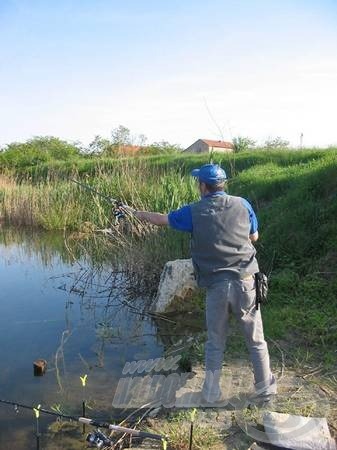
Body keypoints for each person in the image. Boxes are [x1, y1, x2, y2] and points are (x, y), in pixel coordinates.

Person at [123, 163, 276, 406]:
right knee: (256, 339)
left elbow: (161, 220)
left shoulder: (193, 212)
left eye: (198, 183)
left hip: (217, 287)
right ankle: (265, 391)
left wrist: (136, 213)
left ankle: (211, 394)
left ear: (203, 186)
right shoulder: (242, 203)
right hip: (246, 282)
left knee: (215, 342)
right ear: (222, 184)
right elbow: (254, 237)